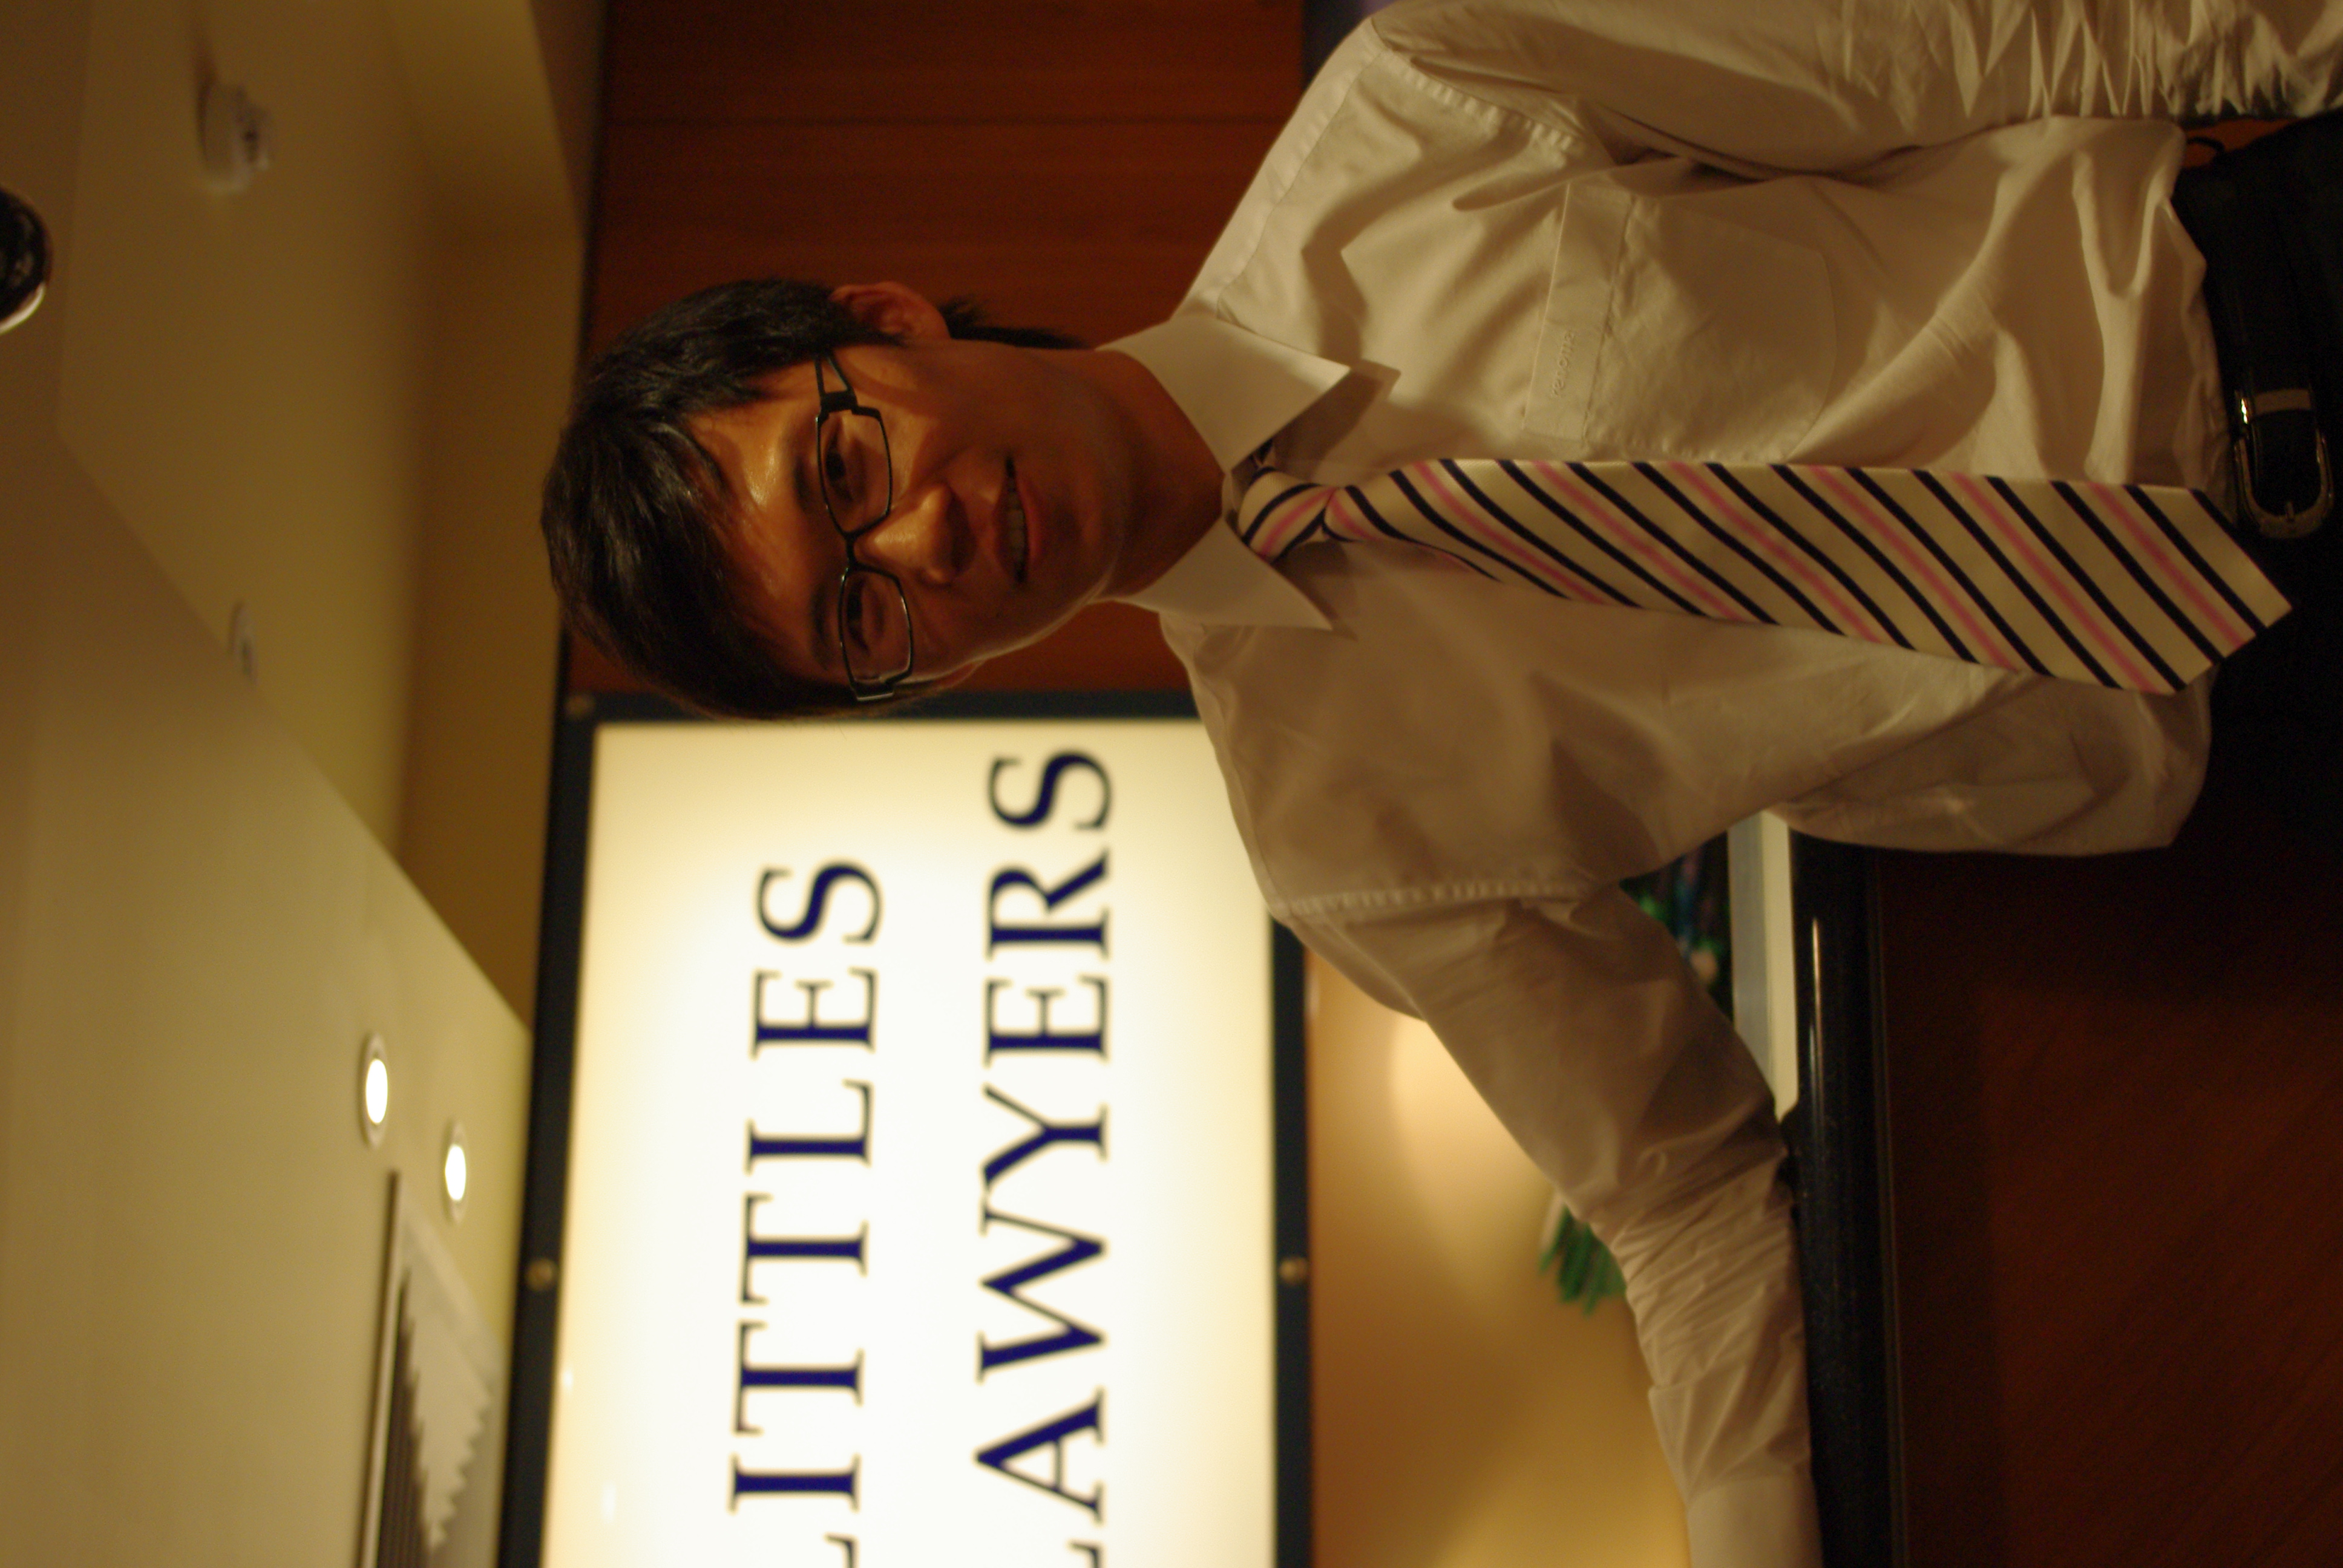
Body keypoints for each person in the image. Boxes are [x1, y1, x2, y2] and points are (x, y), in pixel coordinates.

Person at [539, 2, 2343, 1563]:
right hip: (2259, 706)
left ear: (881, 319)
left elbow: (1970, 49)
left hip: (2272, 289)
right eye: (864, 615)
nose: (925, 544)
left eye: (844, 469)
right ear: (917, 677)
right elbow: (1680, 1196)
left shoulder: (1417, 107)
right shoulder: (1341, 837)